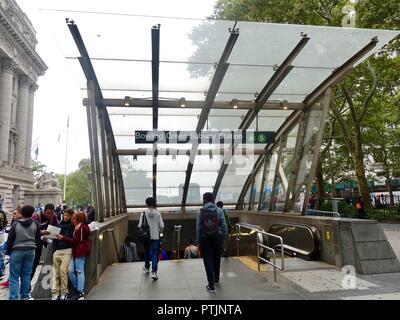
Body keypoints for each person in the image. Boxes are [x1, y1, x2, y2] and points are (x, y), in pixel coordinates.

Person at [6, 205, 41, 300]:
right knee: (26, 275)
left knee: (14, 276)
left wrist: (9, 251)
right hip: (31, 251)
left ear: (22, 213)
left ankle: (13, 297)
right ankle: (25, 296)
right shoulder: (36, 224)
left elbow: (10, 240)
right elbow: (38, 239)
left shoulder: (15, 224)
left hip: (17, 251)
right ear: (32, 213)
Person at [196, 192, 227, 293]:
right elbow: (224, 226)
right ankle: (216, 279)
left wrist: (199, 241)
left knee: (208, 261)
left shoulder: (200, 211)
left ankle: (211, 285)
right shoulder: (219, 210)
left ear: (204, 200)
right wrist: (223, 238)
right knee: (216, 258)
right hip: (217, 237)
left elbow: (198, 228)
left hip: (205, 239)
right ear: (213, 200)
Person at [56, 211, 91, 300]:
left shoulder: (81, 228)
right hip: (75, 251)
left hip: (79, 250)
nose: (72, 220)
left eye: (74, 218)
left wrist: (63, 237)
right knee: (70, 271)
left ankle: (80, 292)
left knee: (79, 270)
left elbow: (75, 241)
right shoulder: (79, 227)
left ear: (78, 219)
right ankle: (78, 290)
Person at [138, 197, 164, 280]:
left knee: (146, 251)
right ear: (154, 203)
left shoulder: (143, 213)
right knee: (154, 253)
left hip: (146, 237)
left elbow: (139, 226)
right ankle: (154, 272)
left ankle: (146, 267)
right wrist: (158, 232)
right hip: (155, 237)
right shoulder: (158, 213)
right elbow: (162, 226)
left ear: (146, 204)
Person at [51, 208, 74, 300]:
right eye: (65, 215)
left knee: (63, 271)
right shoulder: (59, 225)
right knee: (56, 273)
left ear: (72, 216)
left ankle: (64, 293)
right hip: (57, 250)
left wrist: (63, 238)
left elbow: (73, 241)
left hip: (67, 250)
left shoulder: (72, 226)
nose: (66, 217)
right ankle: (55, 293)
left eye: (68, 215)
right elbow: (54, 239)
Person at [31, 203, 58, 281]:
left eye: (52, 213)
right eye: (48, 213)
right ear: (44, 211)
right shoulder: (36, 216)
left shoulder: (54, 217)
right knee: (31, 265)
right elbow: (31, 230)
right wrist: (41, 232)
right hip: (33, 243)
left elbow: (57, 227)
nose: (50, 215)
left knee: (35, 263)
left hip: (42, 242)